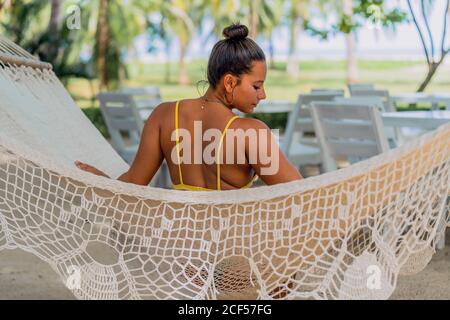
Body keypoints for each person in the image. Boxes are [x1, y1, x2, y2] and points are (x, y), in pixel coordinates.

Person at [75, 23, 302, 189]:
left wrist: (100, 182)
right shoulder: (252, 133)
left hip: (184, 247)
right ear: (230, 82)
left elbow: (132, 184)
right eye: (256, 86)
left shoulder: (163, 116)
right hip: (233, 249)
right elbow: (302, 193)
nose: (263, 94)